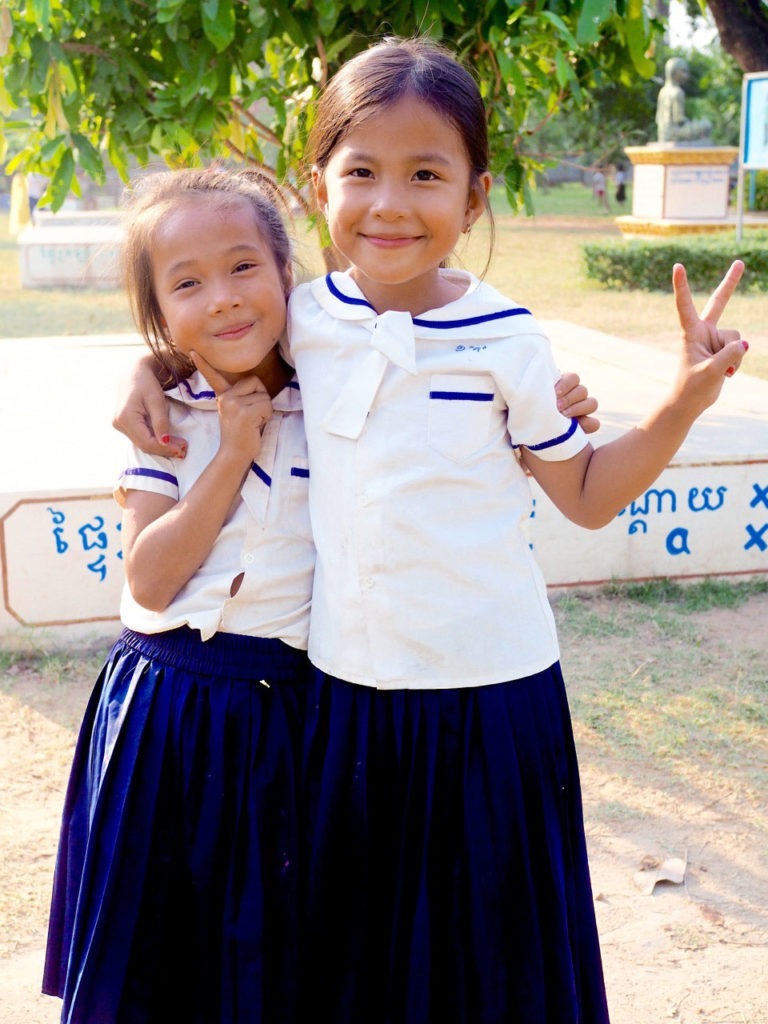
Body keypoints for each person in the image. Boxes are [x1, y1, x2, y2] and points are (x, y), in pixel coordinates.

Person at [112, 37, 748, 1024]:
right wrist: (148, 372)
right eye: (359, 172)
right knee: (361, 967)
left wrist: (681, 403)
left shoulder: (508, 339)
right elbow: (210, 331)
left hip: (489, 698)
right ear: (316, 186)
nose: (390, 204)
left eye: (426, 174)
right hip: (346, 700)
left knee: (493, 964)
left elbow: (582, 492)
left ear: (476, 196)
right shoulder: (302, 320)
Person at [43, 168, 316, 1023]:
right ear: (159, 315)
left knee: (268, 961)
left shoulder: (340, 399)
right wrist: (231, 450)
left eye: (244, 268)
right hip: (165, 711)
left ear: (286, 277)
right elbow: (152, 577)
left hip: (289, 715)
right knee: (153, 960)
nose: (224, 300)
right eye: (187, 283)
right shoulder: (163, 421)